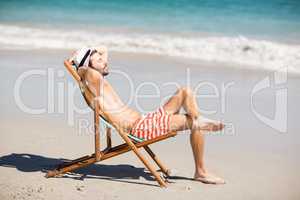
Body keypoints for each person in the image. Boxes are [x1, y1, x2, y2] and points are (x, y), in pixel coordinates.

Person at [68, 46, 225, 184]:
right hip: (141, 128)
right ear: (88, 66)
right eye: (99, 60)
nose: (105, 61)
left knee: (186, 91)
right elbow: (84, 70)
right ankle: (201, 171)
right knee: (193, 123)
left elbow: (103, 49)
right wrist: (77, 62)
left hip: (146, 120)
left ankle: (199, 121)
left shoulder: (98, 78)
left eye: (103, 59)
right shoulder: (91, 78)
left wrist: (90, 55)